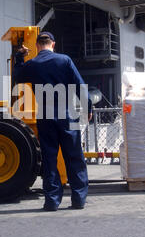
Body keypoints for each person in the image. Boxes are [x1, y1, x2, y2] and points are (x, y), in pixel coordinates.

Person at [14, 31, 92, 211]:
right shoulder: (64, 60)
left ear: (37, 46)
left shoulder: (32, 64)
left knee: (49, 159)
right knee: (73, 156)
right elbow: (80, 86)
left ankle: (51, 201)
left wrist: (20, 56)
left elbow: (18, 76)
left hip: (45, 115)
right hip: (67, 113)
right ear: (53, 44)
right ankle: (78, 199)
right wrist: (87, 108)